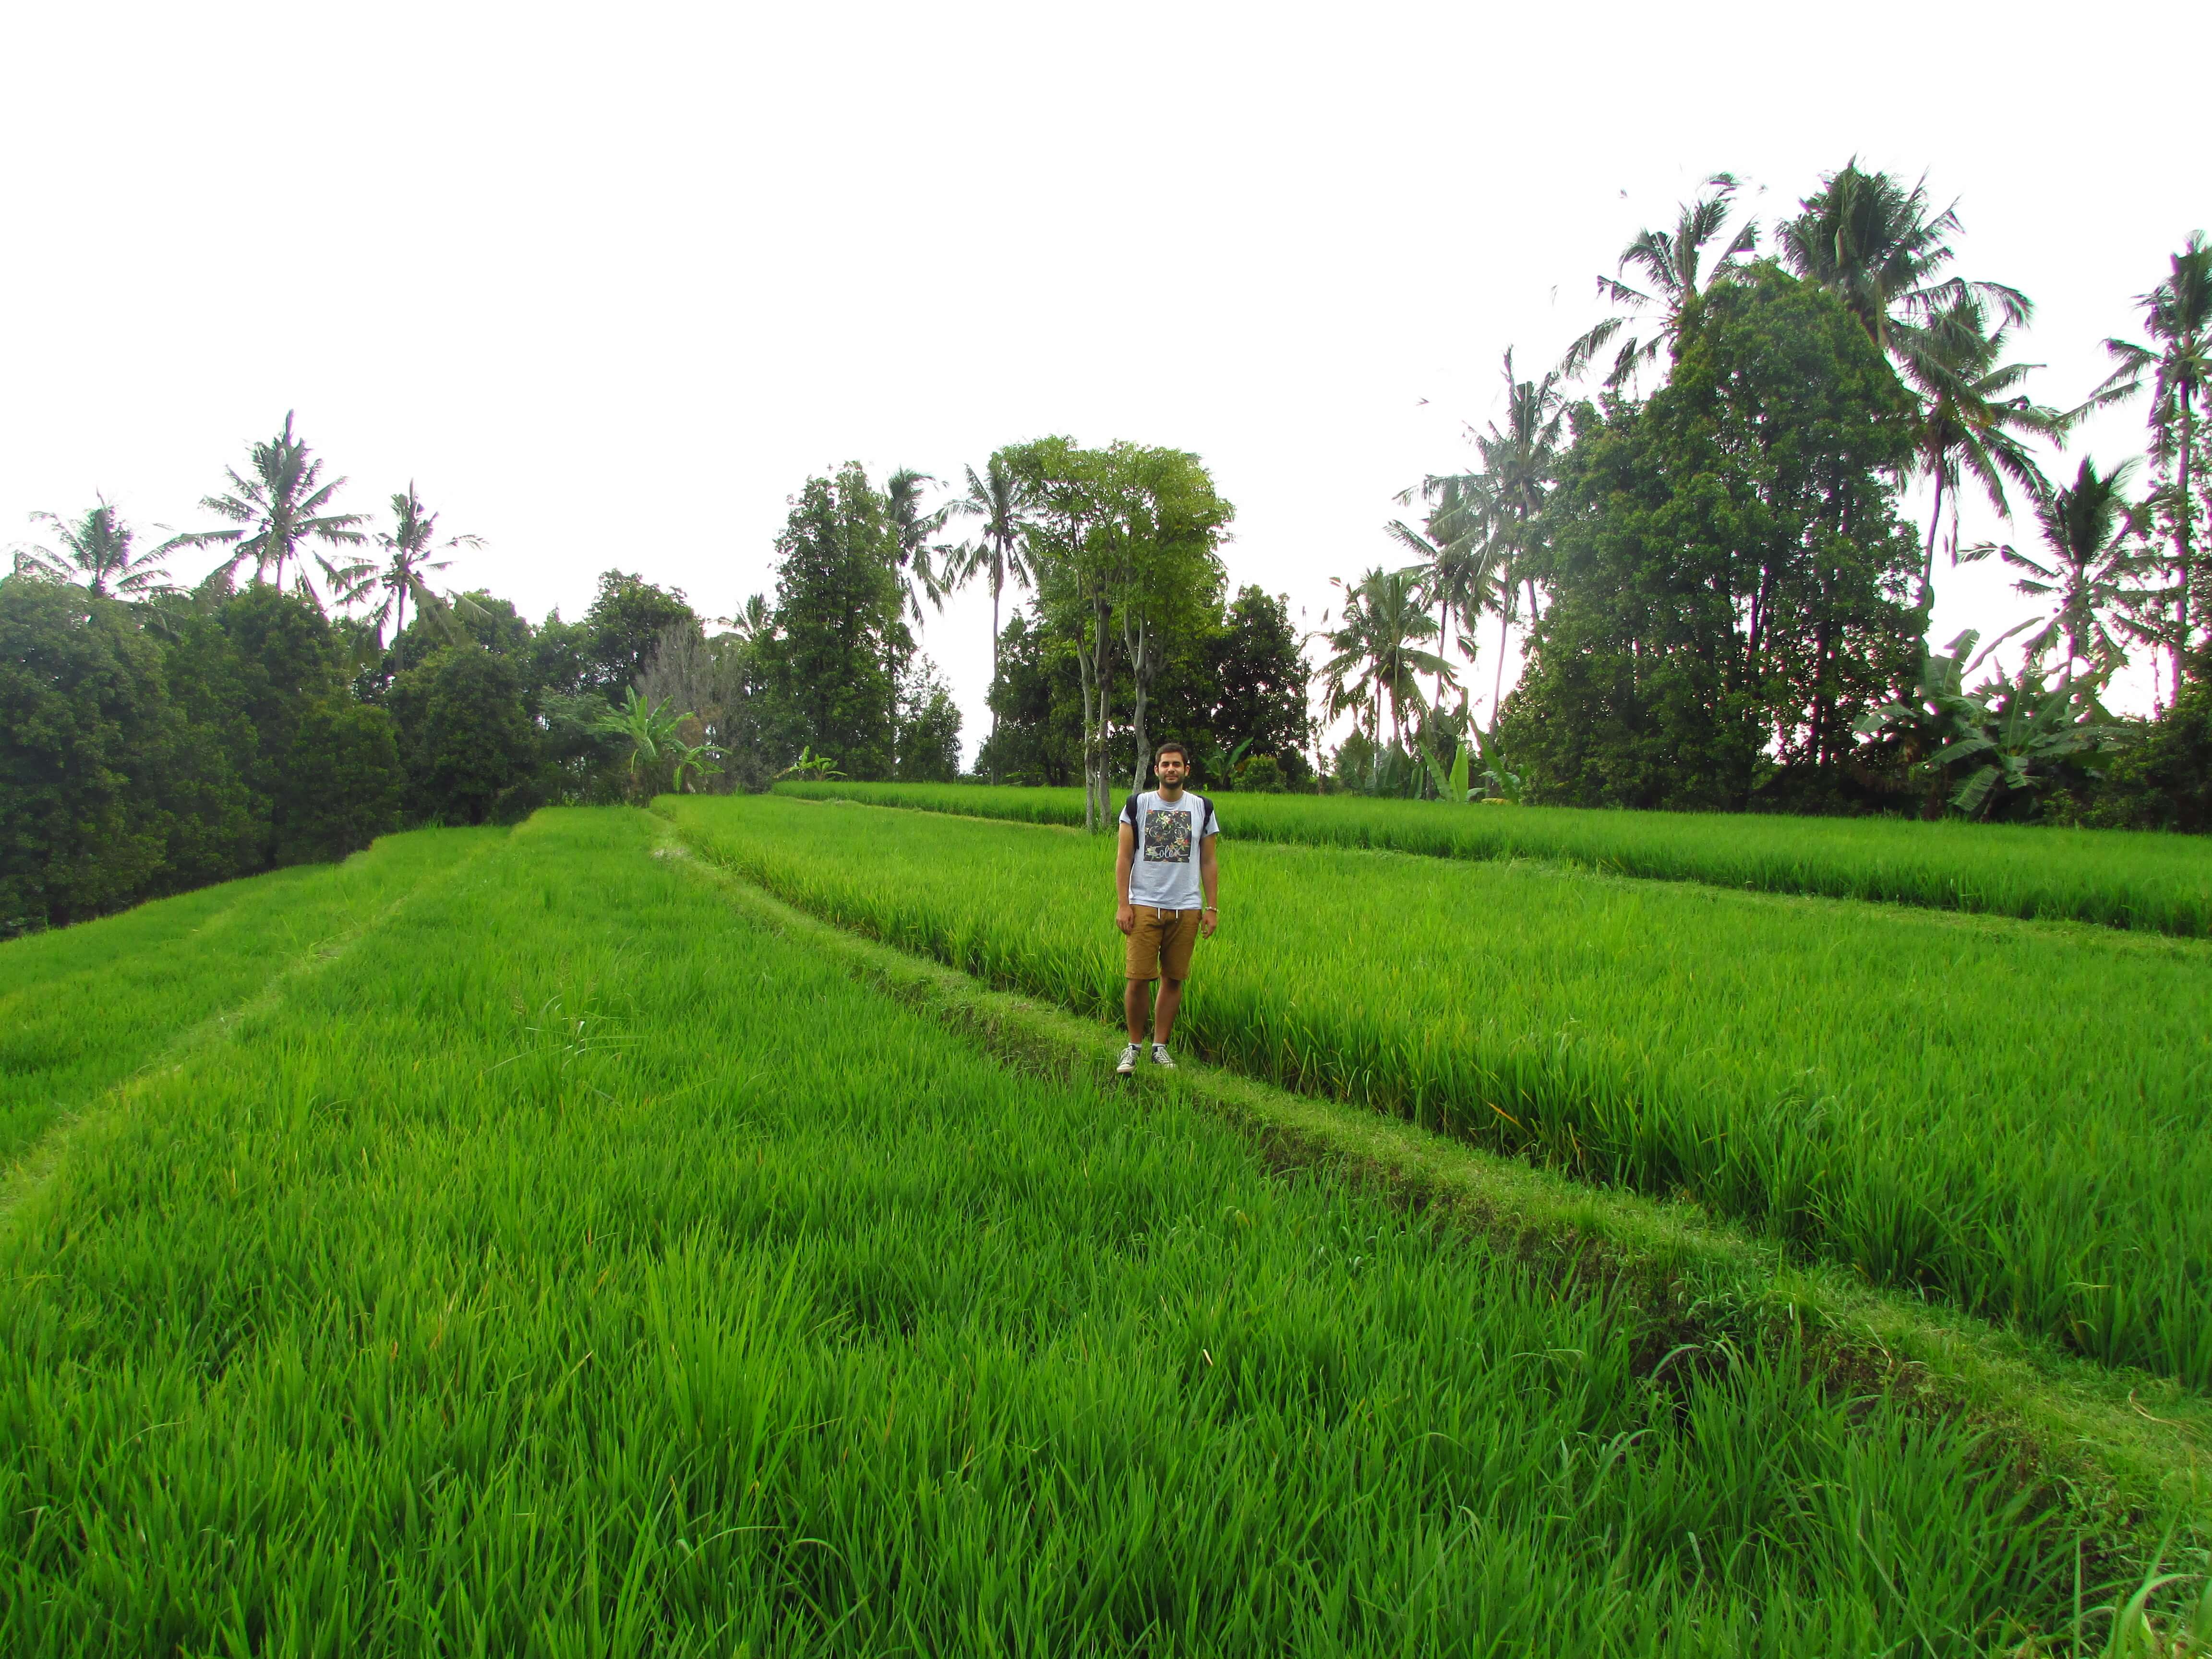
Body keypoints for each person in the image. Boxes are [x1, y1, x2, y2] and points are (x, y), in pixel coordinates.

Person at [1113, 739, 1219, 1074]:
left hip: (1186, 907)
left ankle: (1160, 1047)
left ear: (1186, 770)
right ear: (1156, 769)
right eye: (1165, 764)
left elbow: (1209, 861)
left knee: (1174, 979)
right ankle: (1133, 1046)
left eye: (1177, 764)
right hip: (1144, 904)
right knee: (1137, 978)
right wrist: (1123, 904)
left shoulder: (1202, 807)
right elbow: (1124, 857)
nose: (1171, 769)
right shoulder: (1137, 805)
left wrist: (1212, 908)